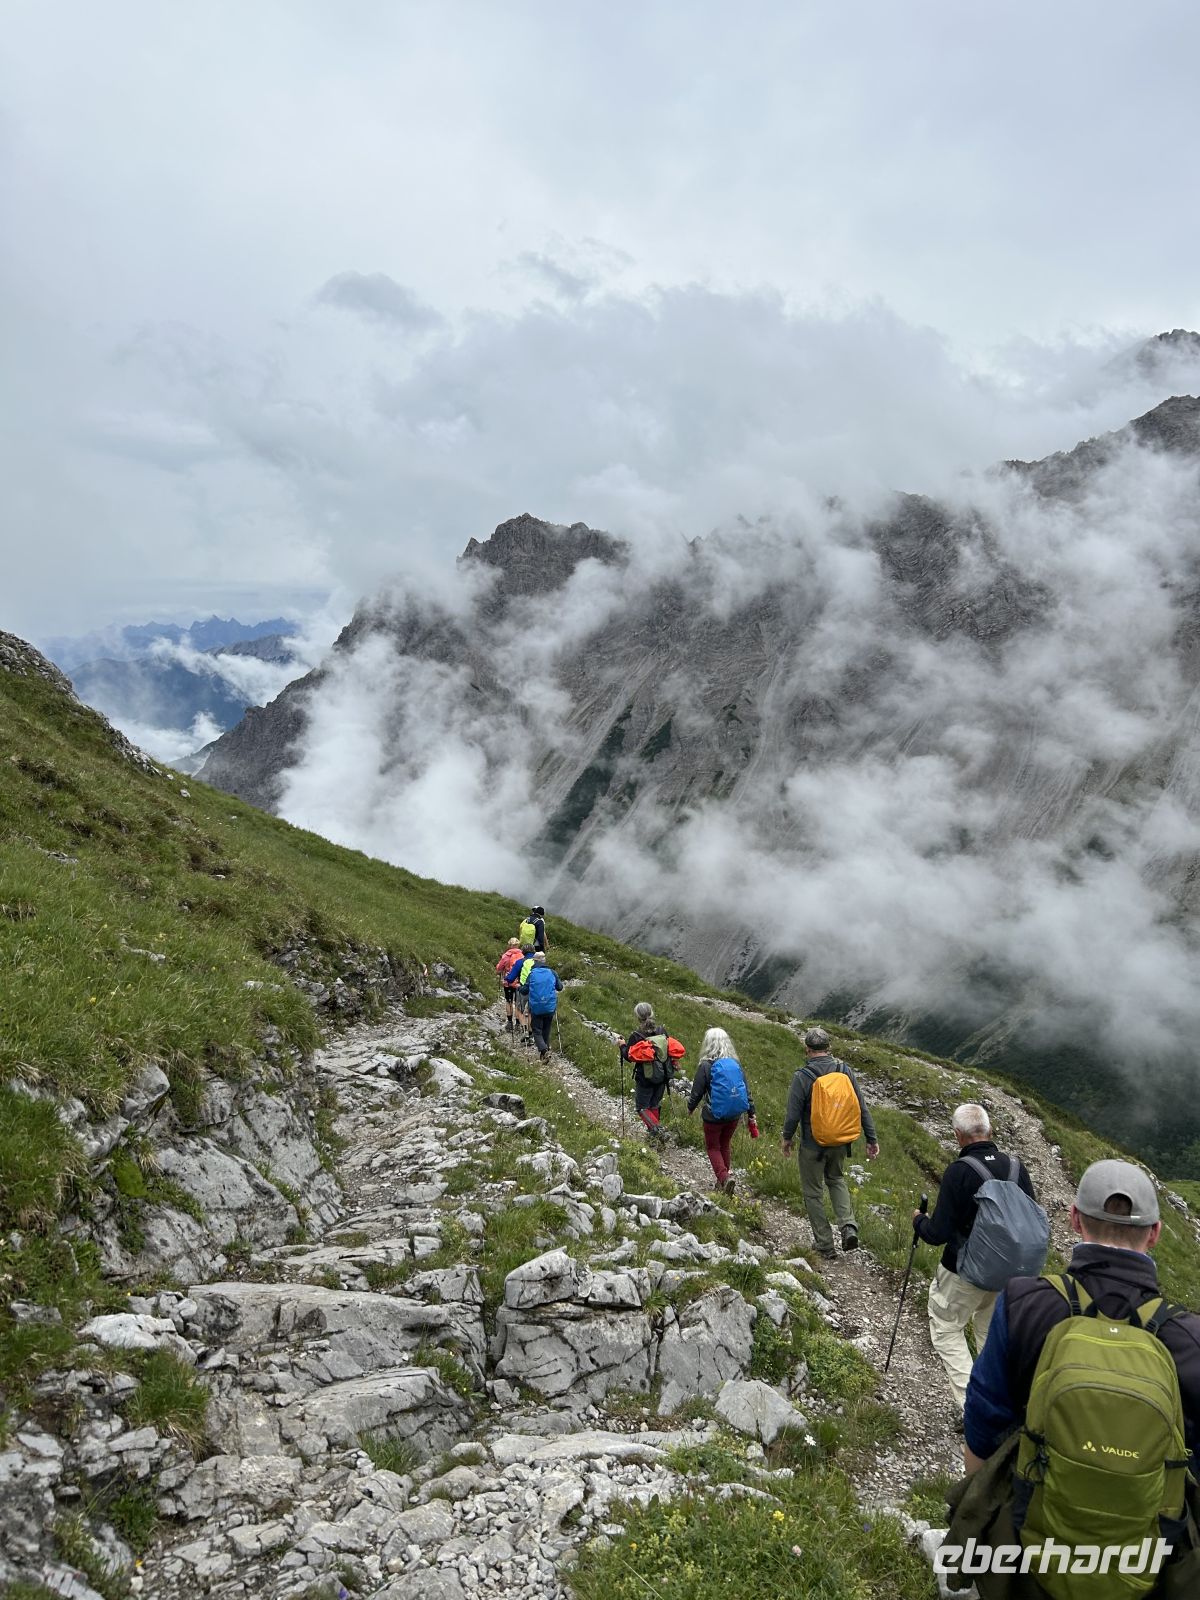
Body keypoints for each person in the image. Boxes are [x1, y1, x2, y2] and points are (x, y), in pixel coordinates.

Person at [950, 1160, 1200, 1597]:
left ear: (1074, 1218)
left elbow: (983, 1422)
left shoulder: (1025, 1302)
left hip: (1033, 1554)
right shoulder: (1189, 1337)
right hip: (1142, 1570)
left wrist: (978, 1513)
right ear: (1156, 1234)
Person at [915, 1104, 1038, 1416]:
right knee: (989, 1333)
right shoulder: (1015, 1167)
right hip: (1010, 1272)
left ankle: (977, 1411)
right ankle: (1003, 1405)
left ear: (958, 1136)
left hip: (965, 1271)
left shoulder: (960, 1172)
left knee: (946, 1327)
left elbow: (938, 1233)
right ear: (989, 1131)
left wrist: (918, 1221)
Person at [781, 1027, 879, 1259]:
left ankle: (825, 1244)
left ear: (807, 1049)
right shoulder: (844, 1070)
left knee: (813, 1192)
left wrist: (786, 1138)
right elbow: (860, 1106)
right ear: (829, 1048)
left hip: (812, 1144)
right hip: (840, 1142)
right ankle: (848, 1226)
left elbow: (793, 1114)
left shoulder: (802, 1076)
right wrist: (871, 1138)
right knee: (836, 1180)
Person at [687, 1026, 755, 1194]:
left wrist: (690, 1108)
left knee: (712, 1147)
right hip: (734, 1114)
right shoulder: (735, 1065)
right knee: (725, 1144)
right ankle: (723, 1181)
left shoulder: (705, 1066)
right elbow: (746, 1091)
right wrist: (751, 1113)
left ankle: (724, 1178)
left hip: (713, 1115)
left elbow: (697, 1091)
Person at [620, 1001, 673, 1140]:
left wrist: (622, 1045)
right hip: (663, 1076)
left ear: (637, 1017)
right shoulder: (662, 1031)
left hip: (646, 1077)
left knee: (642, 1108)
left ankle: (658, 1131)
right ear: (652, 1013)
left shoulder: (637, 1035)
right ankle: (653, 1135)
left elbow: (629, 1056)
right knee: (654, 1104)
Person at [521, 951, 562, 1058]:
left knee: (536, 1030)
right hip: (550, 1006)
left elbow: (524, 991)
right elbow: (560, 987)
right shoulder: (552, 972)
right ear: (544, 961)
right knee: (546, 1029)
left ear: (535, 961)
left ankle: (543, 1050)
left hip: (537, 1006)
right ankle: (545, 1051)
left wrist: (518, 987)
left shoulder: (532, 974)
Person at [508, 945, 536, 1043]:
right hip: (535, 990)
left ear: (523, 952)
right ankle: (531, 1033)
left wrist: (507, 979)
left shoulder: (520, 962)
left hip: (523, 988)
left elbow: (511, 978)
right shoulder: (537, 962)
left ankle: (525, 1031)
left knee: (520, 1009)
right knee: (531, 1011)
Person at [495, 938, 524, 1032]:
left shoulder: (506, 956)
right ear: (518, 945)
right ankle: (518, 1024)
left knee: (509, 1001)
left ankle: (510, 1023)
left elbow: (499, 969)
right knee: (518, 1002)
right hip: (518, 982)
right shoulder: (522, 955)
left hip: (508, 982)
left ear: (509, 945)